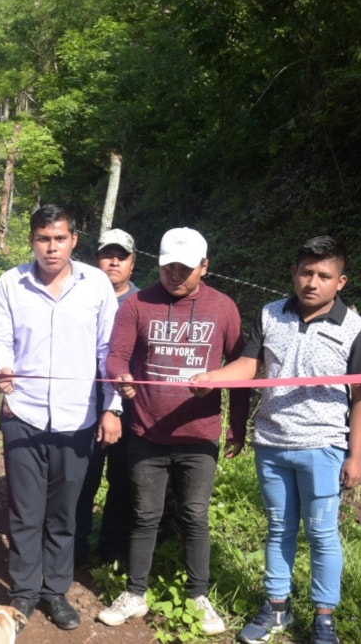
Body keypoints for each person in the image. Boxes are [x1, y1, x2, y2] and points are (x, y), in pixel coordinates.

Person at [190, 236, 361, 644]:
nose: (313, 282)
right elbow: (247, 365)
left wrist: (355, 456)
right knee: (278, 528)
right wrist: (213, 378)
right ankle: (277, 608)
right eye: (306, 272)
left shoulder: (355, 330)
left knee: (322, 533)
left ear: (340, 282)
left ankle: (324, 618)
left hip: (325, 447)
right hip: (272, 444)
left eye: (324, 275)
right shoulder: (271, 314)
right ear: (294, 273)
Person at [98, 227, 249, 637]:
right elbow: (116, 355)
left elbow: (242, 368)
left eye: (185, 267)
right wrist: (121, 377)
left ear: (205, 266)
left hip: (199, 436)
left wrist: (237, 424)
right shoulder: (138, 304)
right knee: (144, 515)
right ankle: (135, 591)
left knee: (195, 516)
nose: (176, 274)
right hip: (146, 431)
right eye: (168, 266)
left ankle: (199, 595)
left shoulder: (223, 308)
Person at [0, 205, 121, 631]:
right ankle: (24, 592)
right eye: (43, 239)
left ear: (73, 240)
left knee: (64, 512)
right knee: (26, 510)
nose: (51, 248)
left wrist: (112, 407)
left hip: (77, 416)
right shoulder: (12, 282)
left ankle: (55, 591)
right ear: (32, 241)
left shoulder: (96, 284)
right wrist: (2, 366)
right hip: (23, 414)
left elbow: (109, 353)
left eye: (59, 239)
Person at [74, 227, 139, 567]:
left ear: (132, 262)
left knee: (122, 480)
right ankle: (76, 547)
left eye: (121, 256)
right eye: (107, 255)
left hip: (131, 407)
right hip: (86, 401)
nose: (113, 262)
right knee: (83, 478)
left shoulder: (144, 302)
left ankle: (112, 548)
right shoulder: (80, 293)